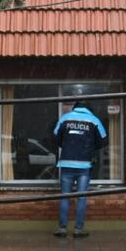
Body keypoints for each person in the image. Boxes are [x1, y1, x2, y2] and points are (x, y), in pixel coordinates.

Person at [53, 101, 108, 238]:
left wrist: (66, 145)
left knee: (65, 197)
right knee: (81, 198)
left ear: (74, 108)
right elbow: (103, 140)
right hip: (84, 165)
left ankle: (62, 228)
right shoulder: (94, 120)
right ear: (88, 109)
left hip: (66, 163)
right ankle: (78, 229)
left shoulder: (65, 118)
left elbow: (55, 137)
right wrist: (89, 148)